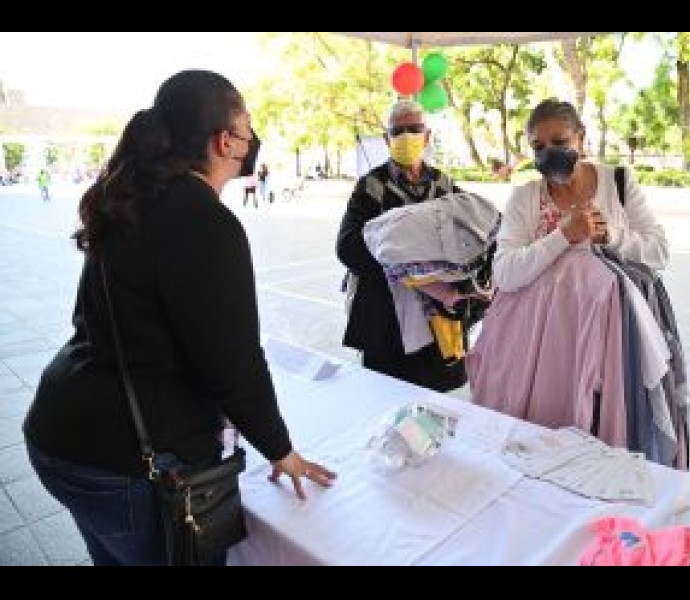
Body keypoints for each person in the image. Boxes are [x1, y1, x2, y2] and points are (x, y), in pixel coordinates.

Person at [22, 69, 335, 567]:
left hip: (60, 429)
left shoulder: (131, 197)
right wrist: (281, 450)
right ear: (224, 141)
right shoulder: (204, 221)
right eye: (247, 128)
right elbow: (233, 365)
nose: (252, 141)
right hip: (122, 458)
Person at [336, 99, 468, 393]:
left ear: (427, 136)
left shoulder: (444, 186)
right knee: (386, 398)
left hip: (437, 322)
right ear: (387, 139)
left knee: (435, 402)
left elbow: (470, 236)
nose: (406, 137)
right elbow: (347, 247)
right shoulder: (371, 187)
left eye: (415, 129)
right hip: (387, 323)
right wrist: (406, 264)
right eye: (398, 131)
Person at [493, 98, 669, 294]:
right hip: (542, 313)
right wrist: (562, 236)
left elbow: (659, 253)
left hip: (612, 311)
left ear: (581, 138)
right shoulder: (524, 197)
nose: (549, 153)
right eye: (539, 147)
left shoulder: (618, 182)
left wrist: (610, 235)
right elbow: (504, 274)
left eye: (560, 142)